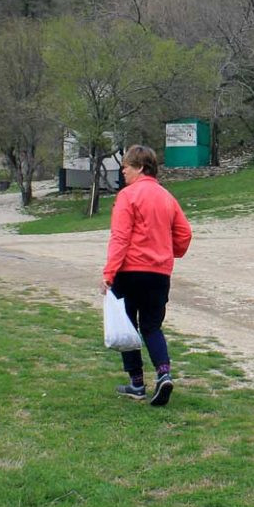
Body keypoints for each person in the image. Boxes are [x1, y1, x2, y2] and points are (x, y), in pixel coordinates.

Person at [103, 145, 192, 406]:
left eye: (126, 167)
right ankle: (164, 374)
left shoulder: (128, 196)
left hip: (129, 271)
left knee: (128, 328)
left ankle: (137, 383)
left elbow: (120, 237)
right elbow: (184, 234)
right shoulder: (167, 197)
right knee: (152, 326)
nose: (123, 171)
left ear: (140, 167)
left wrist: (109, 273)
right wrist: (168, 251)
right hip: (158, 273)